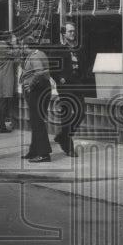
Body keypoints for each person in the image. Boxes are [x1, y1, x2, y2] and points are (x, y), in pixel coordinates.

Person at [18, 30, 57, 162]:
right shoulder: (40, 53)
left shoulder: (34, 56)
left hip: (38, 91)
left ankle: (44, 154)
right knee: (36, 121)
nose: (21, 49)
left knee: (37, 122)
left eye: (22, 47)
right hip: (43, 90)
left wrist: (31, 84)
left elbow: (39, 72)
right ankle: (34, 150)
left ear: (26, 46)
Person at [50, 21, 85, 156]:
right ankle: (68, 146)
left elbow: (84, 63)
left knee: (81, 112)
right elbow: (52, 66)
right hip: (65, 85)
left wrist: (81, 76)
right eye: (70, 31)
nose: (73, 33)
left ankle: (63, 135)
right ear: (63, 34)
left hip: (77, 83)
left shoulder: (78, 48)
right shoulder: (57, 48)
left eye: (73, 31)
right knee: (67, 115)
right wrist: (59, 78)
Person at [0, 35, 17, 132]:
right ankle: (1, 127)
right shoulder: (5, 47)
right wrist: (14, 43)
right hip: (5, 78)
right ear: (8, 39)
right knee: (3, 103)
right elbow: (17, 54)